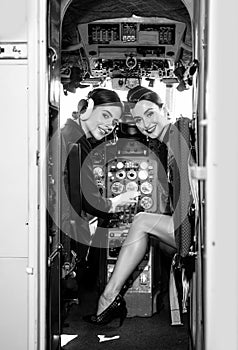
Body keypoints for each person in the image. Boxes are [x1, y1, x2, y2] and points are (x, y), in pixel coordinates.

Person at [84, 85, 193, 326]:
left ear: (163, 109)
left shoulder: (178, 138)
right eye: (138, 119)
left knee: (141, 220)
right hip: (189, 224)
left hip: (197, 230)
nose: (145, 123)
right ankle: (110, 297)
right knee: (144, 221)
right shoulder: (171, 139)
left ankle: (109, 297)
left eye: (150, 114)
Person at [60, 88, 139, 274]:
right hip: (71, 233)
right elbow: (92, 203)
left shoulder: (70, 134)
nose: (109, 126)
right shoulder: (76, 141)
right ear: (87, 109)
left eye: (114, 122)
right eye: (105, 115)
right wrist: (118, 201)